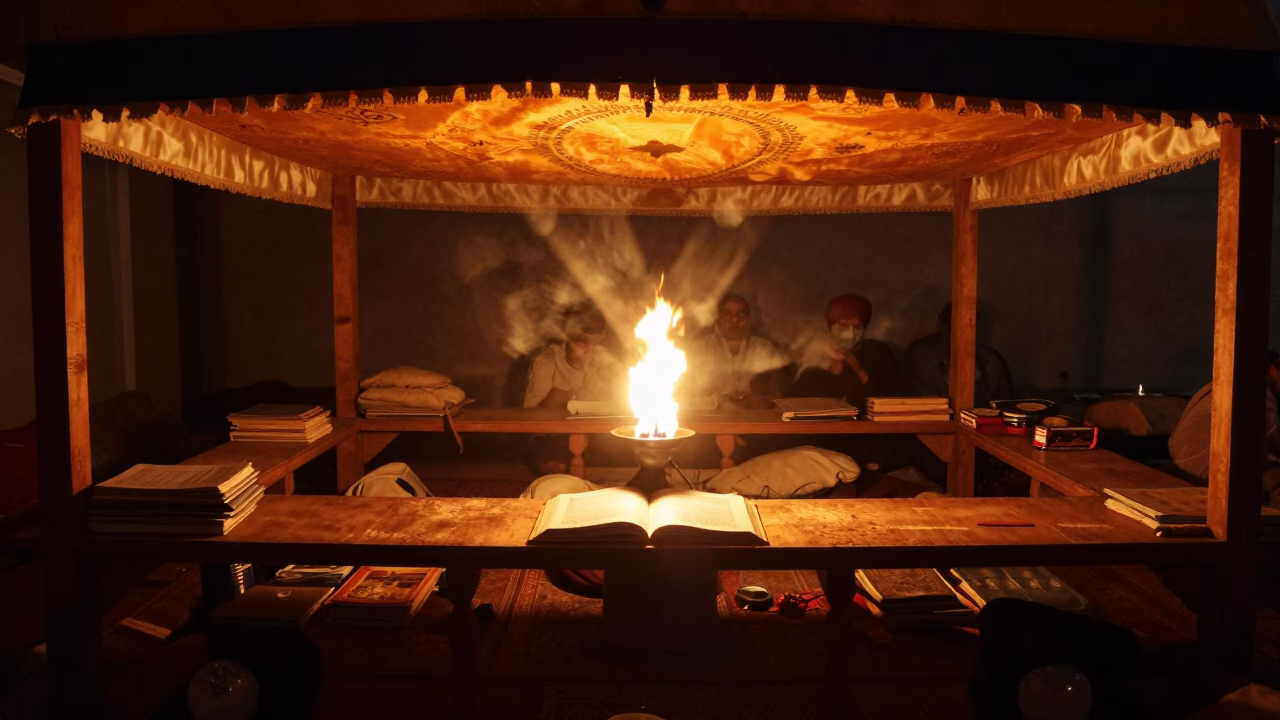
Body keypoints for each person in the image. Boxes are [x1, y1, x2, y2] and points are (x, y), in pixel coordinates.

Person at [1168, 351, 1280, 504]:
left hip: (1187, 461)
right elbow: (1272, 437)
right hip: (1203, 468)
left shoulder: (1232, 380)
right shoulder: (1256, 389)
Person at [790, 294, 902, 413]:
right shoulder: (813, 353)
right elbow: (793, 402)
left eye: (857, 327)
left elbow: (890, 400)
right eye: (843, 326)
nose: (850, 335)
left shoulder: (877, 352)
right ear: (830, 325)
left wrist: (856, 368)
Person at [683, 294, 787, 408]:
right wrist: (719, 400)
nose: (734, 320)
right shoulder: (699, 350)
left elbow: (778, 398)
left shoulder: (764, 349)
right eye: (728, 314)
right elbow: (685, 399)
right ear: (718, 317)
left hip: (756, 421)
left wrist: (756, 400)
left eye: (741, 314)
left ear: (748, 319)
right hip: (711, 422)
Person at [905, 302, 1013, 408]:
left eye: (974, 325)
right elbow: (919, 401)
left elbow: (1001, 406)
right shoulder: (922, 354)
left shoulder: (991, 360)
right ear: (946, 326)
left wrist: (978, 381)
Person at [523, 303, 623, 409]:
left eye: (595, 341)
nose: (589, 347)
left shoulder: (602, 363)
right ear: (569, 338)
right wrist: (555, 400)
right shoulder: (548, 362)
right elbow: (531, 415)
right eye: (582, 342)